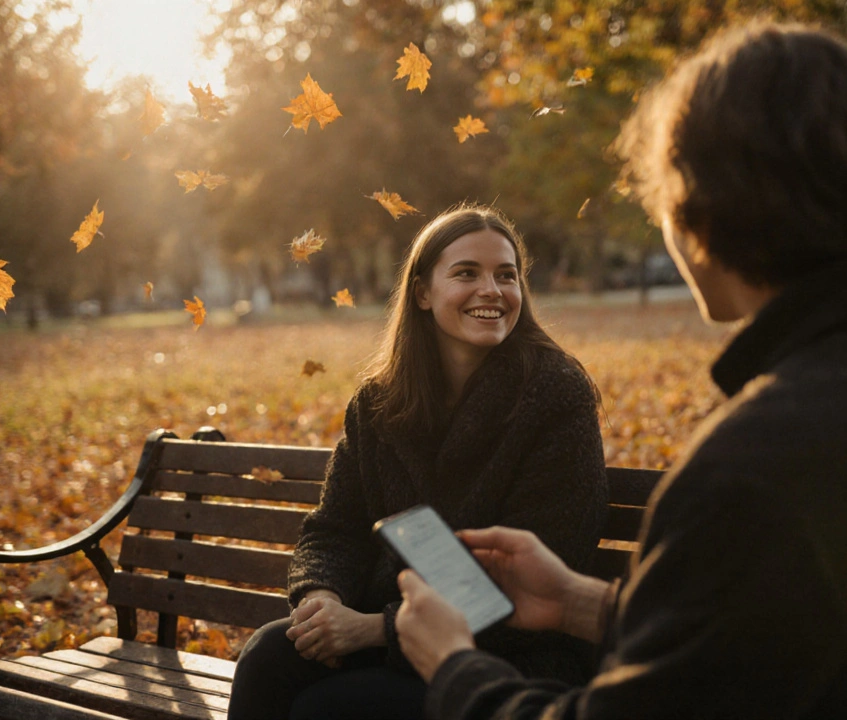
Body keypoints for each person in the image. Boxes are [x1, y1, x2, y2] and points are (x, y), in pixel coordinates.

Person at [393, 22, 847, 720]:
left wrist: (454, 667)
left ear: (696, 208)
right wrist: (580, 602)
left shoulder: (755, 460)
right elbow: (783, 635)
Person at [228, 204, 609, 719]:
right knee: (268, 657)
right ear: (423, 293)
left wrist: (372, 629)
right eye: (466, 274)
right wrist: (322, 599)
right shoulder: (379, 402)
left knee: (327, 707)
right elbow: (334, 527)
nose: (492, 291)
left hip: (512, 657)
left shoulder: (554, 394)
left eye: (506, 275)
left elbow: (535, 576)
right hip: (387, 637)